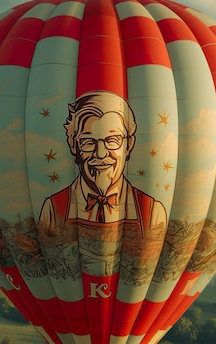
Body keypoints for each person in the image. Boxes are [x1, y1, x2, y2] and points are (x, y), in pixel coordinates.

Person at [38, 91, 167, 278]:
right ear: (74, 145)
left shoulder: (152, 212)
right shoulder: (53, 209)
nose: (100, 154)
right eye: (88, 142)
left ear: (129, 144)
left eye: (112, 141)